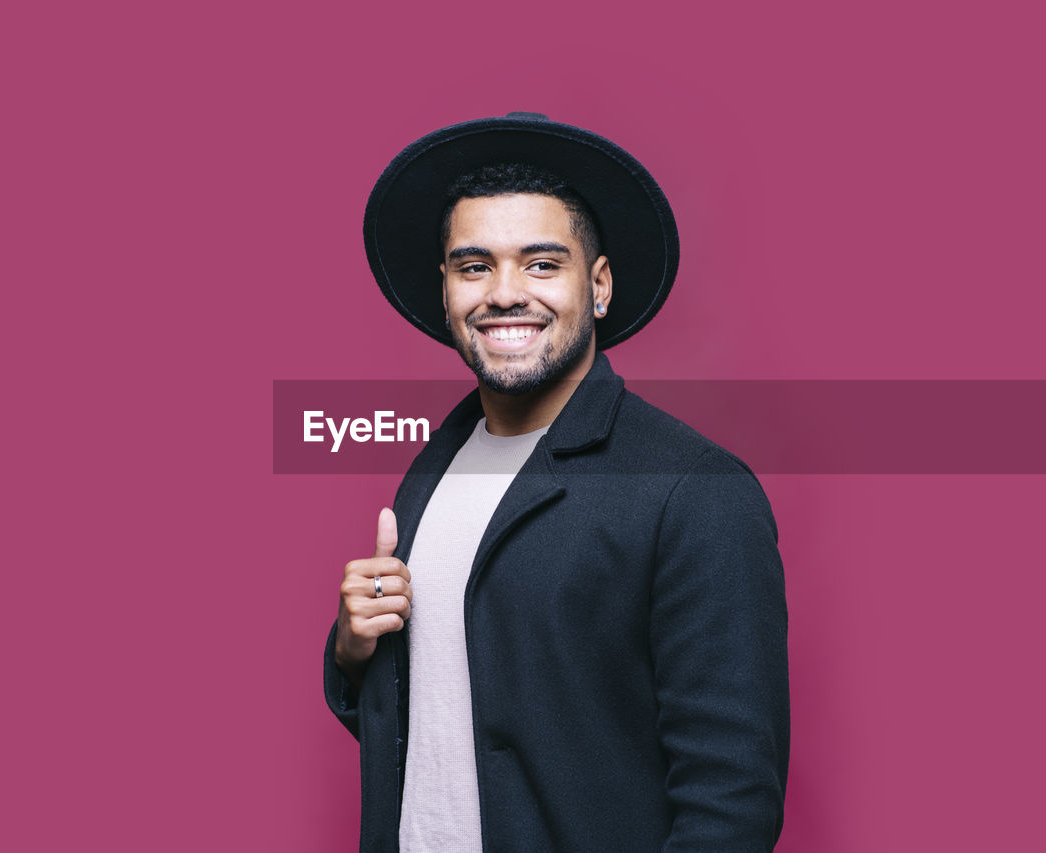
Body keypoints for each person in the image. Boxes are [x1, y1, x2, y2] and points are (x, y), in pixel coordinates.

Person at [324, 112, 789, 852]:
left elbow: (730, 804)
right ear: (446, 289)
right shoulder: (433, 466)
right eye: (474, 266)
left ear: (598, 284)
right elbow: (449, 719)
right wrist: (353, 650)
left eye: (541, 263)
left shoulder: (694, 489)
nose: (505, 293)